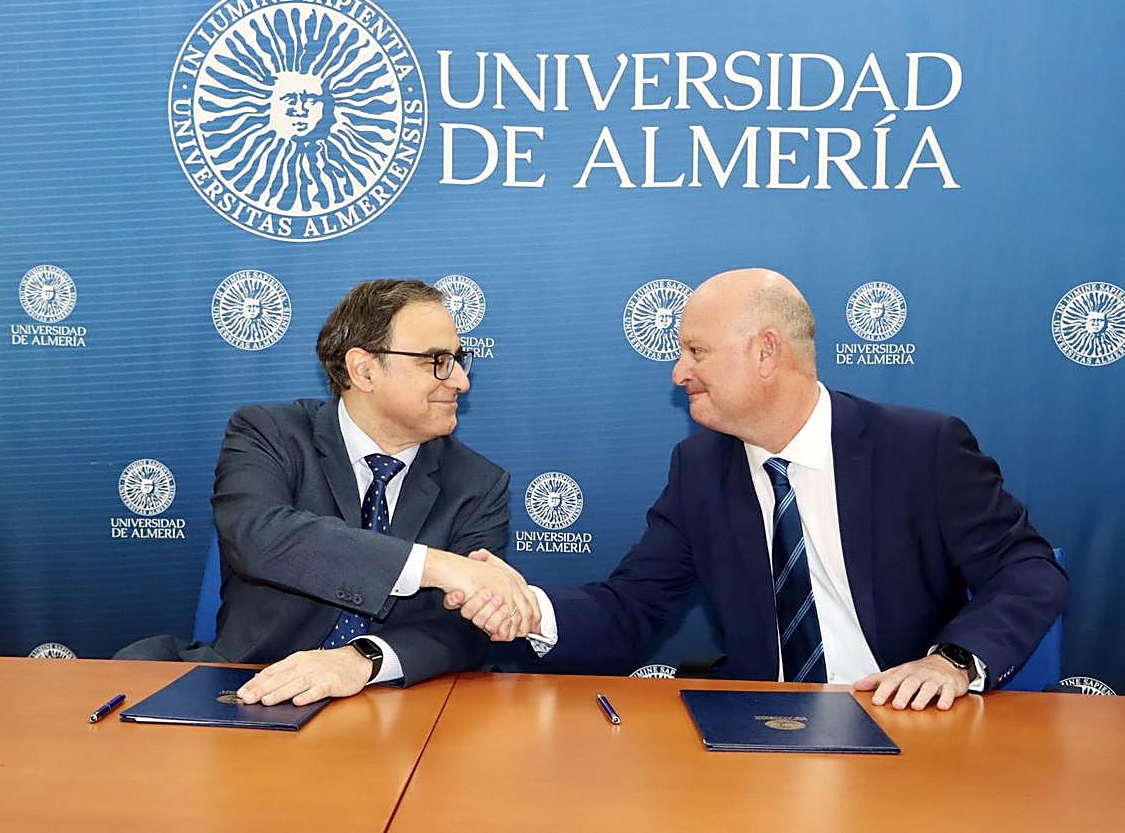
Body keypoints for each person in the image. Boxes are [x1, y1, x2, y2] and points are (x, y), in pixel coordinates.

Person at [451, 268, 1068, 711]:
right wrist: (532, 611)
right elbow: (630, 606)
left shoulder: (920, 448)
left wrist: (953, 661)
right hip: (759, 730)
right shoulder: (700, 468)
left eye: (696, 351)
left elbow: (1029, 570)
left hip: (906, 723)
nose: (678, 371)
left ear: (767, 352)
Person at [117, 279, 539, 705]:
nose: (461, 381)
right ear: (364, 370)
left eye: (459, 359)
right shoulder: (269, 433)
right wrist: (437, 566)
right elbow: (261, 538)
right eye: (438, 360)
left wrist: (363, 660)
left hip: (396, 704)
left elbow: (468, 629)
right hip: (250, 690)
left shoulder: (479, 482)